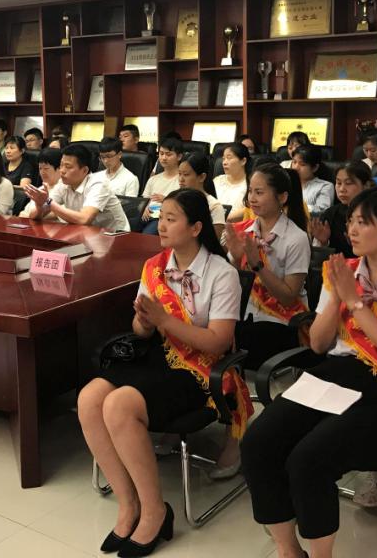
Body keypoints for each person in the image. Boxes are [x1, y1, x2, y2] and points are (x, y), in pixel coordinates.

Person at [242, 189, 377, 557]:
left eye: (363, 222)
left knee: (308, 459)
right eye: (350, 221)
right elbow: (319, 344)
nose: (351, 229)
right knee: (257, 442)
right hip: (336, 373)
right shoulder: (343, 270)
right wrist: (336, 297)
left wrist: (354, 300)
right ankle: (288, 550)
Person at [77, 188, 249, 557]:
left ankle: (155, 510)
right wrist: (144, 322)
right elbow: (142, 331)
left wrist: (164, 320)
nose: (161, 225)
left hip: (199, 370)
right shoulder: (155, 266)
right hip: (161, 356)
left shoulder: (222, 274)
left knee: (119, 405)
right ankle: (129, 504)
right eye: (161, 217)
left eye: (171, 219)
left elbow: (218, 342)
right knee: (90, 398)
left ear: (196, 228)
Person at [219, 164, 311, 478]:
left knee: (229, 350)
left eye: (260, 192)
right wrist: (234, 258)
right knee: (214, 339)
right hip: (244, 315)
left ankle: (235, 436)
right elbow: (232, 283)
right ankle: (226, 421)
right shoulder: (244, 229)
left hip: (282, 323)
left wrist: (258, 265)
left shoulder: (295, 238)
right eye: (251, 192)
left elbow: (288, 296)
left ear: (282, 197)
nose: (252, 198)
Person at [24, 143, 130, 232]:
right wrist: (39, 205)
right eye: (61, 165)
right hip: (86, 233)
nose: (62, 171)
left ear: (84, 170)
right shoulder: (63, 184)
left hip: (116, 236)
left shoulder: (99, 184)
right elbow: (33, 216)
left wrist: (48, 202)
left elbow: (84, 219)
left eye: (68, 166)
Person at [310, 161, 374, 258]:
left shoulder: (375, 214)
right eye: (338, 183)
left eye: (348, 183)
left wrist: (359, 245)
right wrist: (323, 242)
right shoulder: (331, 213)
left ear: (366, 185)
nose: (342, 189)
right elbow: (318, 258)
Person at [141, 137, 184, 234]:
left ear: (179, 156)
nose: (164, 158)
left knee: (147, 233)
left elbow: (184, 206)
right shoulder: (153, 179)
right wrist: (144, 208)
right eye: (161, 154)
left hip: (165, 217)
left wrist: (166, 200)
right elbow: (145, 200)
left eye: (168, 154)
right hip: (147, 215)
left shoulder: (183, 180)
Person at [177, 154, 225, 239]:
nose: (181, 179)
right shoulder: (176, 200)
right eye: (179, 174)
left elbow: (214, 241)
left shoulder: (214, 206)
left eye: (186, 174)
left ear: (202, 177)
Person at [18, 147, 63, 217]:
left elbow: (51, 215)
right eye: (40, 168)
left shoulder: (64, 189)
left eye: (46, 168)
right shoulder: (40, 189)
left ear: (59, 168)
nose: (42, 172)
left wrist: (29, 216)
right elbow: (23, 213)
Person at [292, 145, 333, 217]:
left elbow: (322, 211)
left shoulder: (325, 186)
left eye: (302, 164)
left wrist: (293, 207)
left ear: (315, 168)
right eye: (294, 162)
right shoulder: (288, 182)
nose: (296, 167)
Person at [213, 142, 251, 216]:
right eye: (223, 159)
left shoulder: (251, 184)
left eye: (229, 158)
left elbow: (250, 209)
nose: (224, 162)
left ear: (243, 161)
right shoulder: (217, 180)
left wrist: (225, 218)